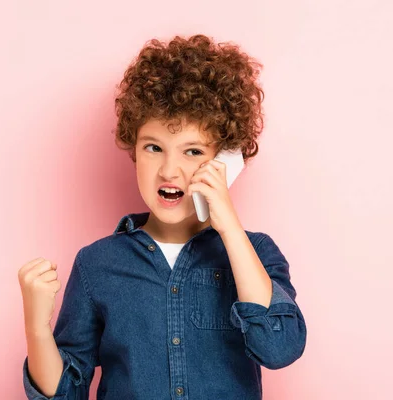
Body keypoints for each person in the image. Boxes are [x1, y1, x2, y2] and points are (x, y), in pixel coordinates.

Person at [18, 34, 307, 400]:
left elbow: (280, 349)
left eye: (193, 151)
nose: (170, 170)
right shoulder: (96, 265)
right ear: (134, 149)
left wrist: (229, 226)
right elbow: (66, 393)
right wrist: (36, 328)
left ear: (226, 160)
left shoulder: (257, 253)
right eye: (154, 147)